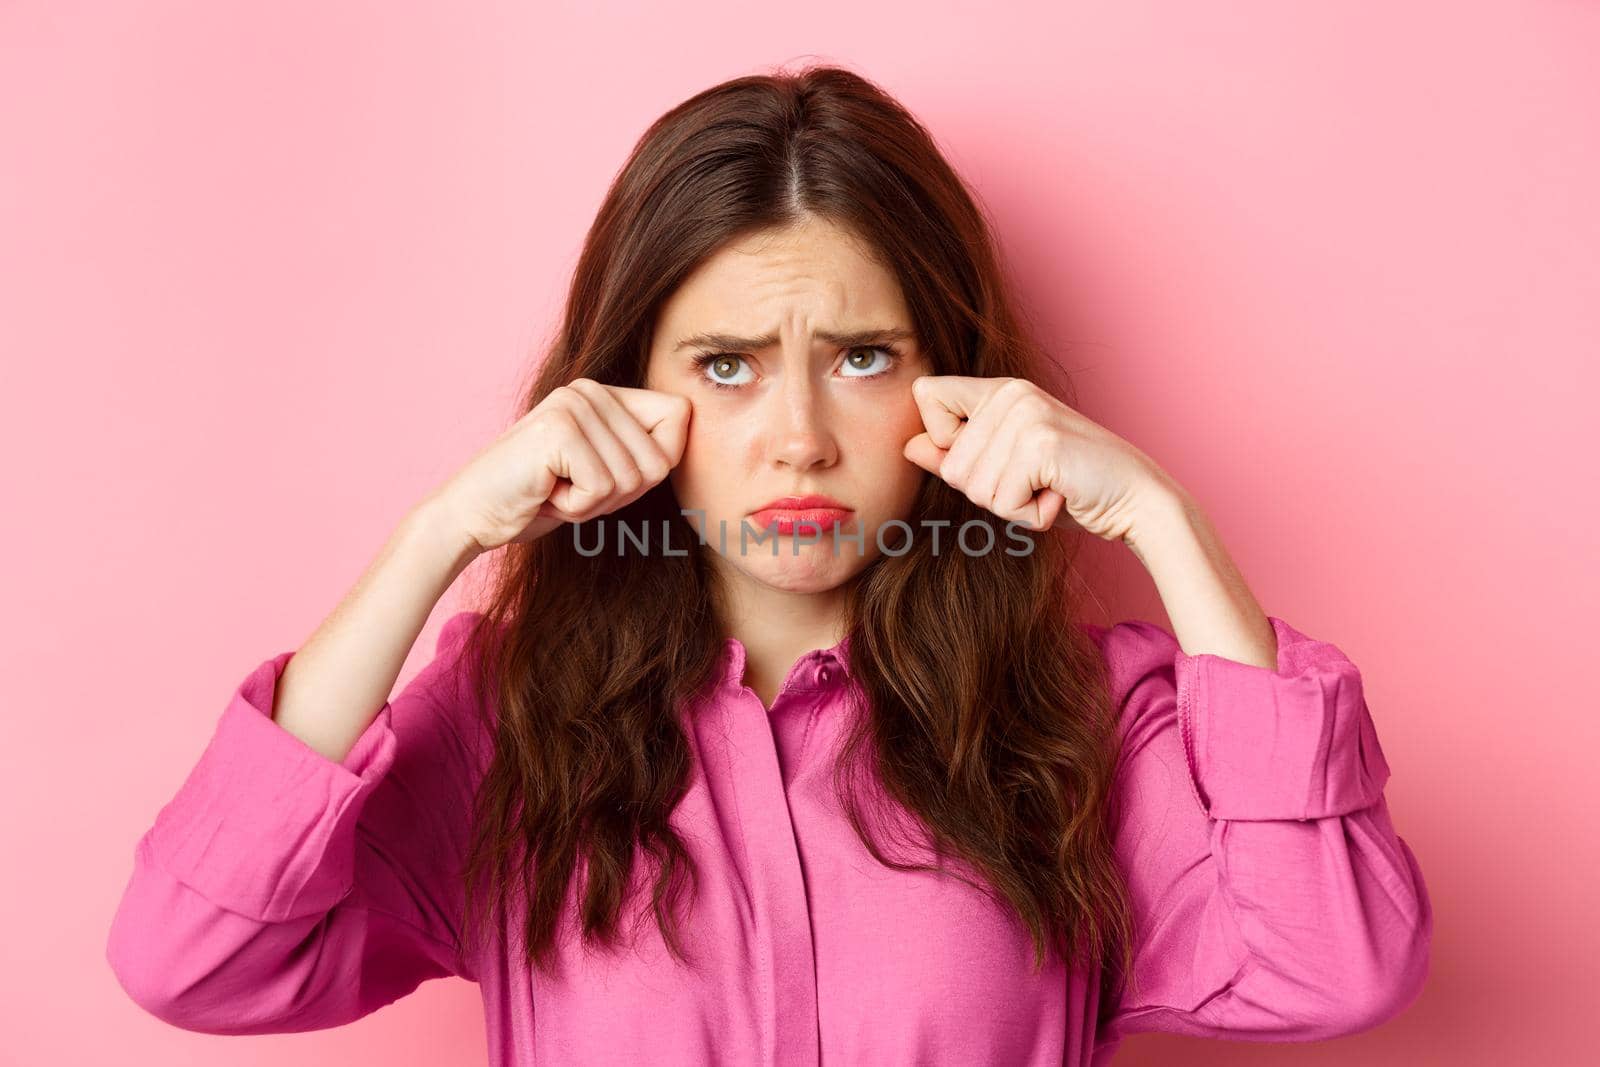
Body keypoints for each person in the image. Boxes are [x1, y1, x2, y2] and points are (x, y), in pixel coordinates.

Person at [105, 63, 1432, 1065]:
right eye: (726, 367)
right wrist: (434, 537)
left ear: (952, 379)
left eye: (862, 358)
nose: (798, 440)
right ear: (626, 395)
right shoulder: (514, 719)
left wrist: (1159, 518)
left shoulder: (1081, 723)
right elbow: (191, 961)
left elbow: (1340, 968)